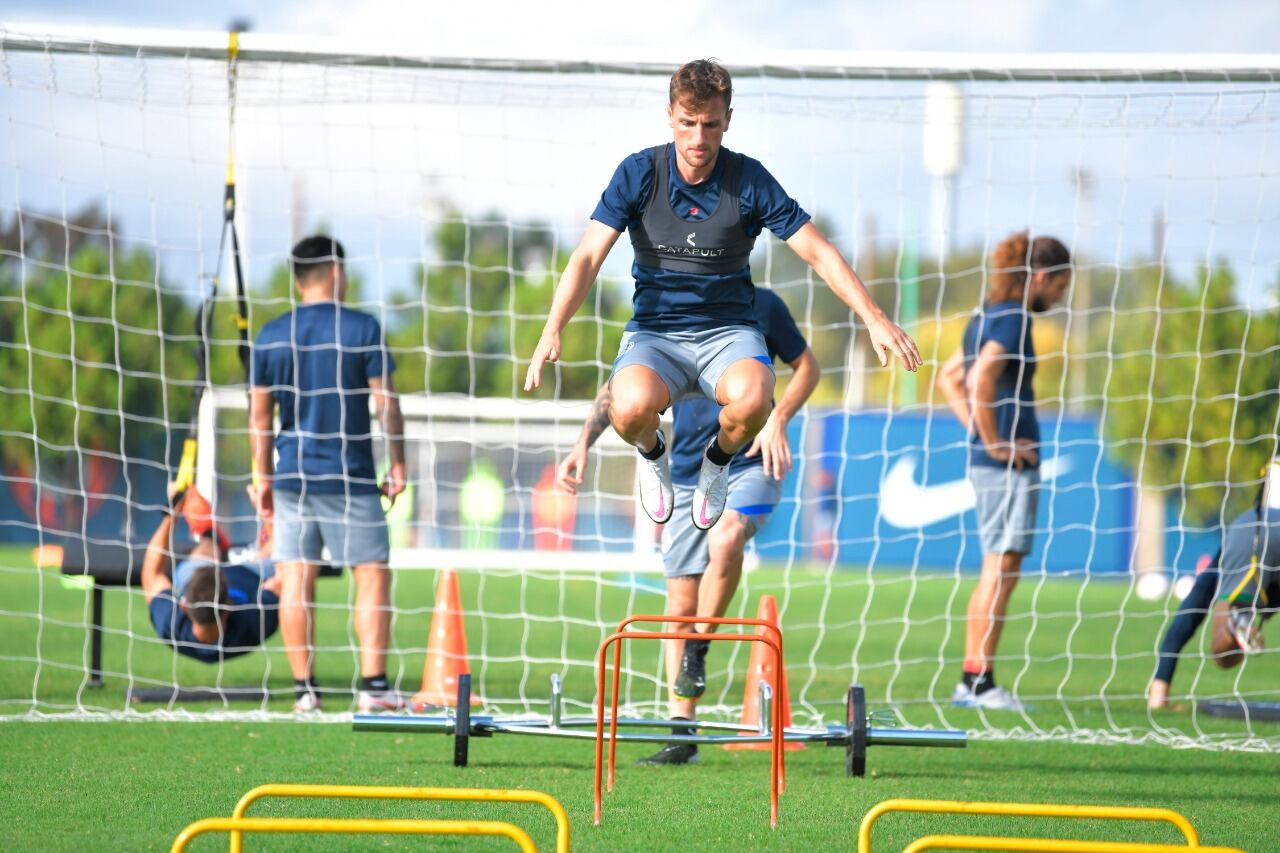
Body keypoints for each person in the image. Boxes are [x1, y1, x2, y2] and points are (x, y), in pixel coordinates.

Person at [525, 58, 918, 536]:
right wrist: (553, 327)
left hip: (727, 334)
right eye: (687, 123)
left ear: (728, 119)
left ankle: (718, 463)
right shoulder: (638, 174)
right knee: (626, 408)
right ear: (670, 114)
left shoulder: (748, 180)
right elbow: (588, 257)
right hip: (656, 334)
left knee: (756, 398)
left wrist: (874, 317)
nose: (698, 138)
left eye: (710, 125)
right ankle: (654, 456)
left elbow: (818, 252)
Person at [558, 286, 820, 765]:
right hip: (683, 473)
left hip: (750, 466)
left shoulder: (763, 306)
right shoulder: (666, 309)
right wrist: (582, 445)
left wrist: (779, 415)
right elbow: (616, 392)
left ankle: (698, 647)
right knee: (678, 599)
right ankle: (682, 734)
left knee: (726, 540)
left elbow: (808, 366)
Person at [249, 235, 406, 713]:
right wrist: (397, 461)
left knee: (295, 577)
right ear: (335, 272)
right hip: (351, 475)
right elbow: (386, 404)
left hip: (293, 475)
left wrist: (261, 478)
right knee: (372, 576)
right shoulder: (362, 328)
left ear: (298, 280)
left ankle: (304, 691)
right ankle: (374, 687)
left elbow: (259, 417)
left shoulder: (271, 335)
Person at [935, 231, 1072, 710]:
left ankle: (973, 679)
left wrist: (978, 430)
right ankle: (979, 682)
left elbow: (949, 377)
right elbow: (977, 377)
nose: (1060, 298)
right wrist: (995, 441)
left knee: (998, 566)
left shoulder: (986, 315)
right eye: (1061, 287)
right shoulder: (1013, 318)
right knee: (1001, 566)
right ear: (1041, 277)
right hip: (1006, 465)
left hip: (994, 461)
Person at [142, 484, 281, 662]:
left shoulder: (173, 625)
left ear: (184, 606)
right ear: (230, 606)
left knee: (202, 554)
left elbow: (151, 574)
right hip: (249, 573)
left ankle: (210, 536)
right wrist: (266, 512)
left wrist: (173, 510)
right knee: (272, 558)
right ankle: (265, 540)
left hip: (195, 572)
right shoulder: (251, 624)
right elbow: (283, 576)